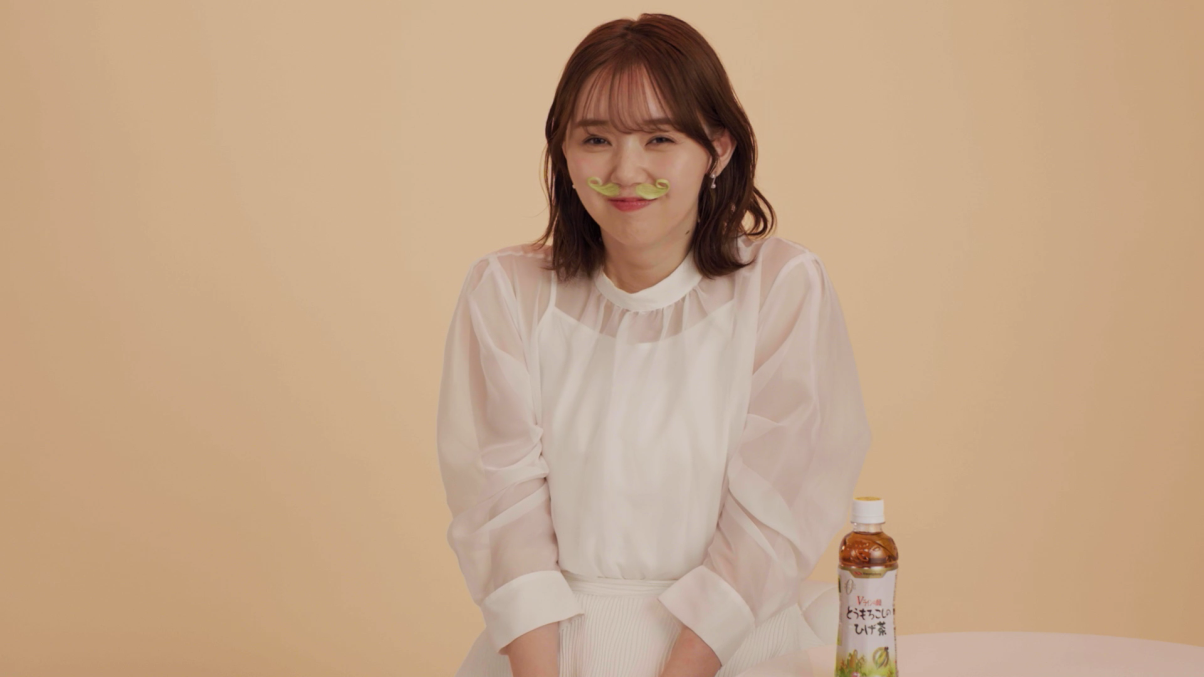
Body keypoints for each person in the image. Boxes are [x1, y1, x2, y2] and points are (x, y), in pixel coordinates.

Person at [436, 13, 873, 677]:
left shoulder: (782, 287)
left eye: (659, 138)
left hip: (735, 648)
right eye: (596, 139)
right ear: (563, 152)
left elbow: (770, 519)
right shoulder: (506, 290)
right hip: (545, 654)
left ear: (718, 149)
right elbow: (502, 516)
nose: (625, 169)